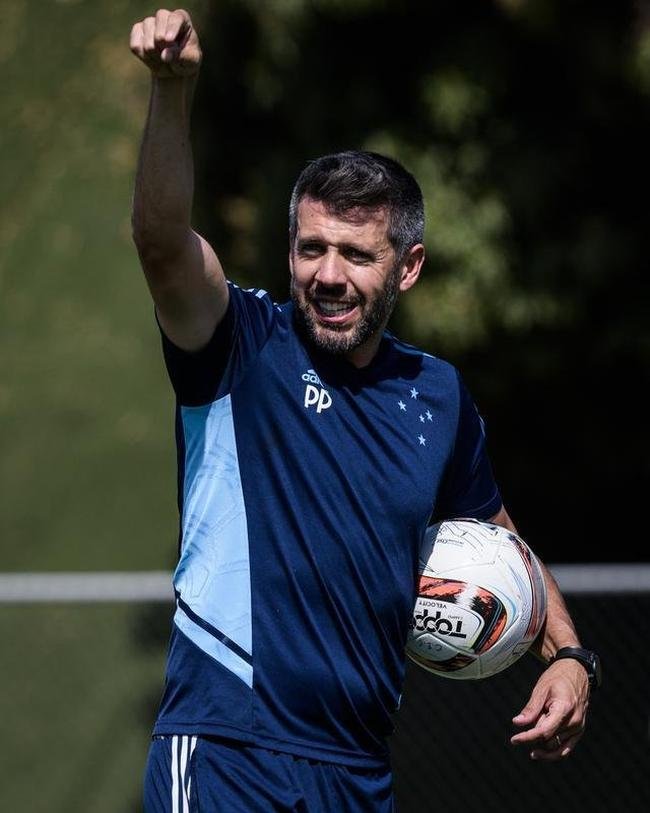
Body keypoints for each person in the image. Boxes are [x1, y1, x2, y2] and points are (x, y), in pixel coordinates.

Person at [130, 9, 599, 812]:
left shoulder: (436, 395)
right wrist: (174, 90)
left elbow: (500, 535)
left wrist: (570, 653)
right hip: (227, 752)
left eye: (357, 253)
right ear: (289, 253)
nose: (329, 273)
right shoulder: (240, 345)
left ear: (408, 267)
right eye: (312, 247)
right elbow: (163, 239)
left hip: (357, 770)